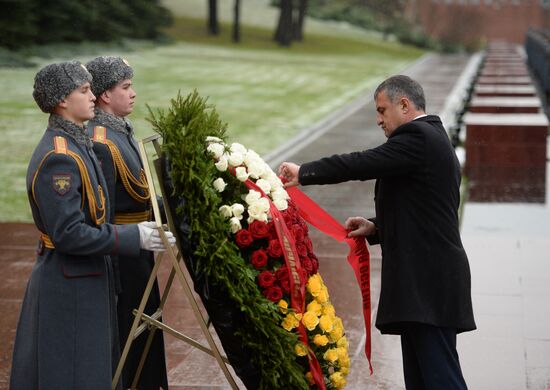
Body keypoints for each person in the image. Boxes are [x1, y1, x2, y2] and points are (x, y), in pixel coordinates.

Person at [279, 75, 476, 390]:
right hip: (426, 283)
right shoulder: (429, 139)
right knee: (422, 380)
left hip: (429, 283)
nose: (378, 119)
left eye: (383, 110)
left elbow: (361, 163)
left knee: (441, 380)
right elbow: (426, 209)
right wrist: (376, 227)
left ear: (404, 104)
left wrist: (305, 172)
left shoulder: (419, 138)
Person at [10, 61, 174, 390]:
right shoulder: (61, 157)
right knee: (71, 373)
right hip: (69, 282)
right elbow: (68, 233)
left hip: (86, 277)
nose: (92, 97)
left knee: (92, 372)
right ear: (61, 101)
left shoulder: (77, 144)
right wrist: (133, 236)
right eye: (84, 91)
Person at [86, 56, 168, 389]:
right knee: (130, 333)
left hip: (139, 249)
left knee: (146, 329)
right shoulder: (102, 141)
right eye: (125, 87)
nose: (133, 93)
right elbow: (101, 212)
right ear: (105, 95)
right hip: (123, 256)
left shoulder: (121, 131)